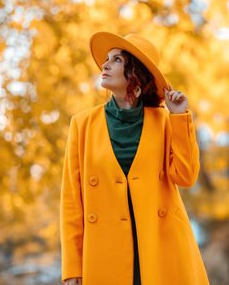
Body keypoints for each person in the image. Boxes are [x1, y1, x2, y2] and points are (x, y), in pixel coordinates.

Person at [60, 32, 210, 285]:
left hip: (161, 248)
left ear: (136, 75)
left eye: (117, 60)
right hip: (106, 252)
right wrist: (72, 268)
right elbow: (72, 201)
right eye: (106, 59)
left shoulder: (164, 121)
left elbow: (185, 176)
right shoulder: (82, 124)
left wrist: (180, 117)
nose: (105, 65)